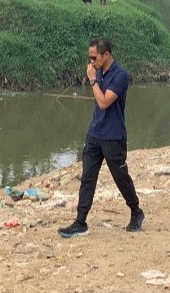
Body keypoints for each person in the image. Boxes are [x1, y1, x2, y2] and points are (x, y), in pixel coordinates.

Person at [59, 38, 145, 238]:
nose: (91, 62)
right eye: (89, 58)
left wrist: (93, 81)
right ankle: (80, 221)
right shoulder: (98, 72)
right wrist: (95, 78)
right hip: (94, 133)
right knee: (87, 177)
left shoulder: (120, 75)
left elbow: (105, 102)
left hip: (113, 136)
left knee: (120, 177)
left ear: (106, 55)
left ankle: (136, 211)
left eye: (94, 58)